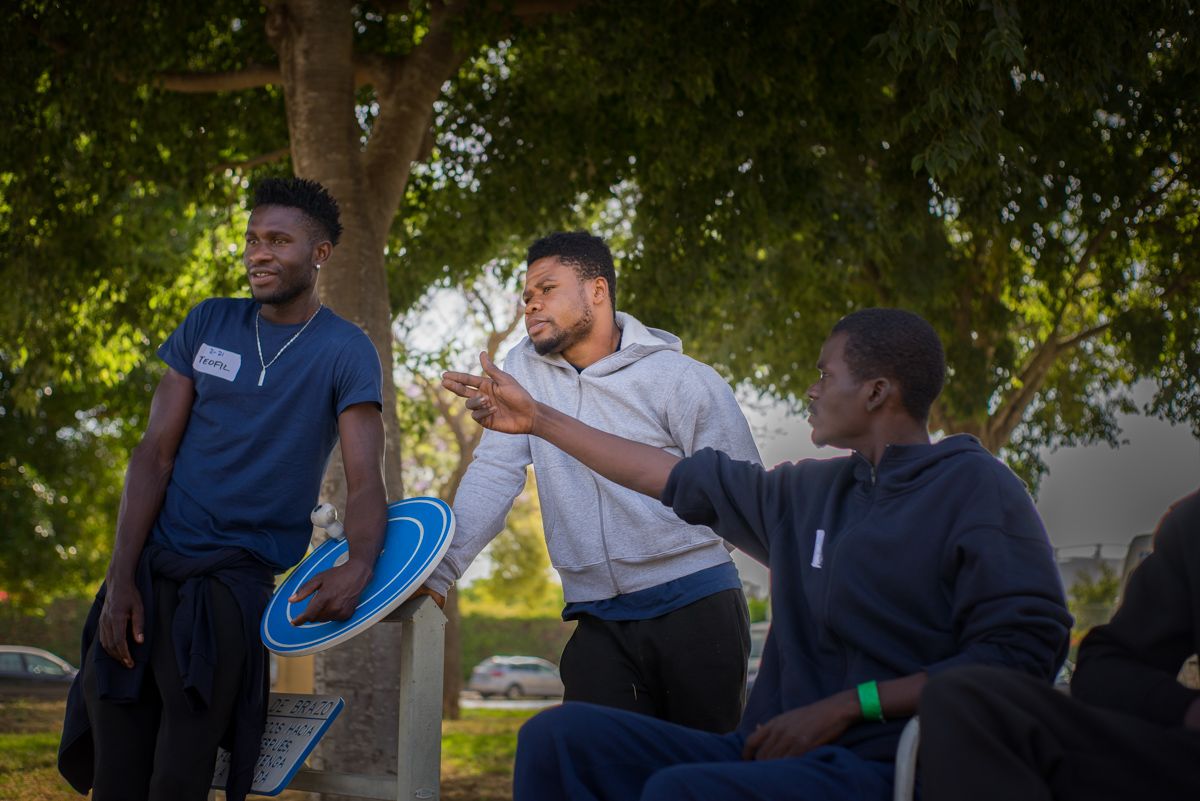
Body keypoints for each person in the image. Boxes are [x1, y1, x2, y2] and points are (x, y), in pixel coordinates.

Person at [442, 307, 1072, 801]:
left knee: (680, 792)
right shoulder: (808, 492)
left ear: (877, 392)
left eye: (826, 375)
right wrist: (539, 420)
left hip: (884, 765)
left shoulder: (974, 487)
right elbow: (665, 474)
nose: (812, 390)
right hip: (770, 752)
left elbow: (1023, 654)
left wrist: (853, 704)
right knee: (557, 738)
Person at [58, 178, 388, 801]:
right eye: (253, 239)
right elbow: (153, 455)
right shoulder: (210, 320)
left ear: (319, 253)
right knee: (116, 777)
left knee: (179, 780)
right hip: (147, 576)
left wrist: (361, 564)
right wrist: (120, 579)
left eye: (278, 241)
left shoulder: (346, 350)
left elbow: (367, 481)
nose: (258, 253)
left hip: (228, 591)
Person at [422, 231, 762, 732]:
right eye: (526, 295)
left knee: (700, 767)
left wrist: (681, 553)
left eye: (547, 289)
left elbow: (745, 495)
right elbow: (495, 472)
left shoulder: (680, 378)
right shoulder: (521, 373)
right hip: (596, 614)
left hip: (697, 603)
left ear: (597, 290)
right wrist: (440, 572)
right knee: (594, 762)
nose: (531, 304)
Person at [918, 488, 1200, 801]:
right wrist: (1185, 708)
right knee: (965, 701)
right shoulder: (1192, 523)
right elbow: (1104, 669)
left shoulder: (979, 486)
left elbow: (1020, 646)